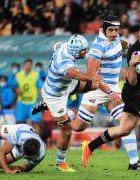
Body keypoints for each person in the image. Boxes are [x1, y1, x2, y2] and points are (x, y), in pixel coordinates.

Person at [82, 19, 140, 168]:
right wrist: (131, 65)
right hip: (132, 92)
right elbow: (131, 81)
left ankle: (90, 147)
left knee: (124, 130)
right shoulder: (134, 50)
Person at [71, 15, 140, 170]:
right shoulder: (97, 48)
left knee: (126, 124)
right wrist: (109, 92)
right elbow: (93, 77)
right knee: (78, 126)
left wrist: (133, 48)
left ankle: (134, 163)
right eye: (111, 30)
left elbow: (121, 44)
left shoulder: (115, 38)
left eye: (116, 30)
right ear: (104, 29)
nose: (114, 33)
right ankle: (59, 111)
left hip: (112, 88)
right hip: (96, 90)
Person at [31, 34, 102, 172]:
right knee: (67, 131)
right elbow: (73, 74)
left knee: (94, 86)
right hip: (55, 96)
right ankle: (60, 164)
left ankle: (50, 103)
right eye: (83, 50)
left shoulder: (65, 46)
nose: (85, 52)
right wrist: (91, 76)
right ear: (75, 51)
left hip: (65, 86)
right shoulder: (64, 63)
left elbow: (57, 45)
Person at [13, 59, 42, 134]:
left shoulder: (36, 75)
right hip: (21, 102)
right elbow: (13, 87)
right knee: (20, 123)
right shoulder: (18, 75)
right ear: (24, 65)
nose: (28, 66)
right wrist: (16, 90)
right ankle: (20, 141)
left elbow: (40, 88)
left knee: (35, 122)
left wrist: (42, 101)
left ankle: (38, 141)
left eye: (30, 65)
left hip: (33, 102)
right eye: (27, 64)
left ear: (32, 66)